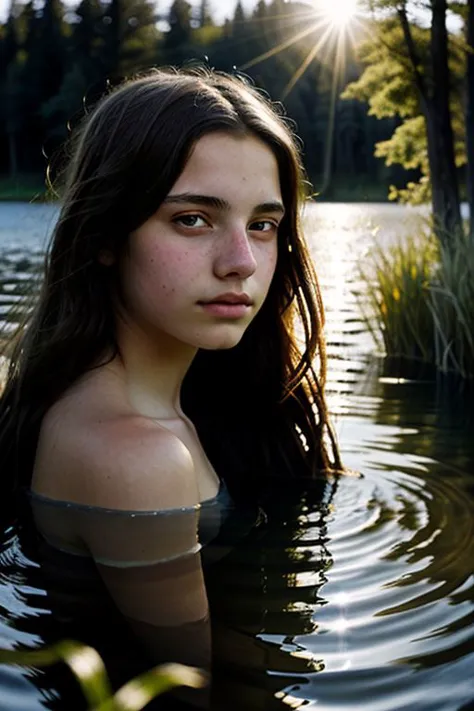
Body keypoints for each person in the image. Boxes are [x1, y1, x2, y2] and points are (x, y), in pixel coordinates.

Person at [0, 66, 343, 708]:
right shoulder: (137, 457)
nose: (240, 260)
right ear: (104, 235)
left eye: (264, 224)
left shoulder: (134, 404)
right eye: (192, 219)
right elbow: (193, 693)